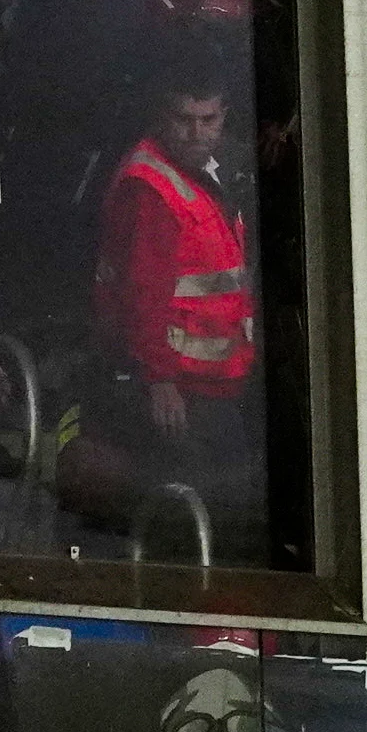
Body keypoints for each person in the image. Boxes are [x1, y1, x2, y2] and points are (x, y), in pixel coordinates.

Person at [92, 66, 261, 528]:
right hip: (182, 392)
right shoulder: (152, 189)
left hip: (216, 381)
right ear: (162, 115)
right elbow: (142, 296)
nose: (196, 133)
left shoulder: (207, 171)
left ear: (224, 116)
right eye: (184, 119)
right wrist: (160, 381)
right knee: (198, 516)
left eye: (208, 120)